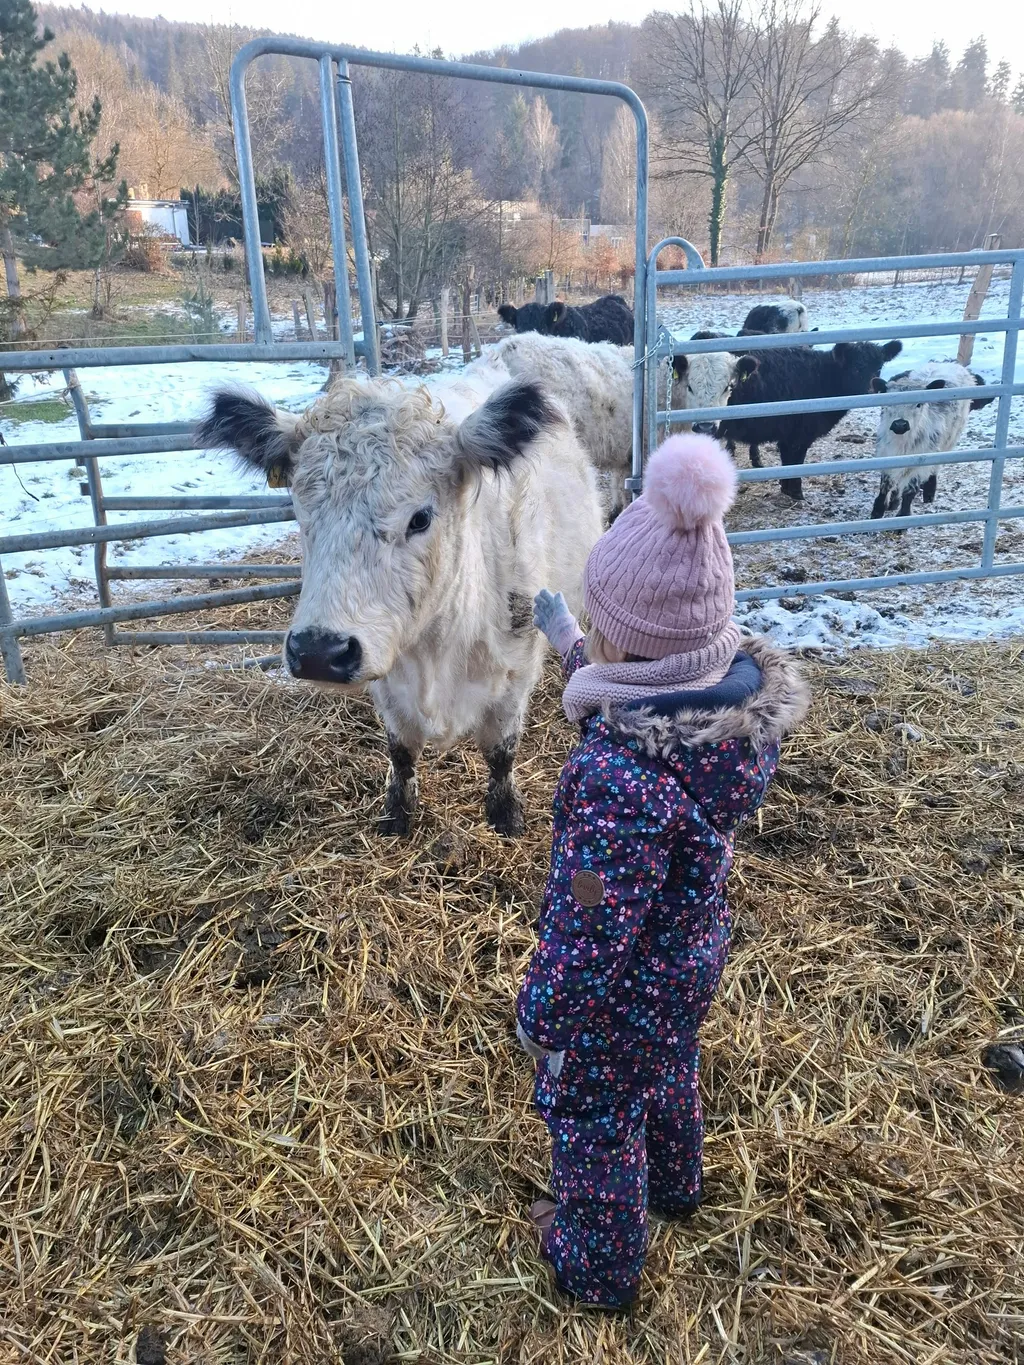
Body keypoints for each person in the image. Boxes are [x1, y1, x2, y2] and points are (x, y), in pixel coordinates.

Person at [516, 431, 810, 1310]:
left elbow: (590, 919)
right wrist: (571, 638)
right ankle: (677, 1186)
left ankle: (596, 1263)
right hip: (690, 956)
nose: (593, 632)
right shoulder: (714, 714)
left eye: (600, 621)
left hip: (619, 986)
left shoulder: (618, 780)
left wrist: (545, 1016)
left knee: (596, 1115)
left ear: (633, 640)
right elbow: (636, 692)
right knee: (670, 1062)